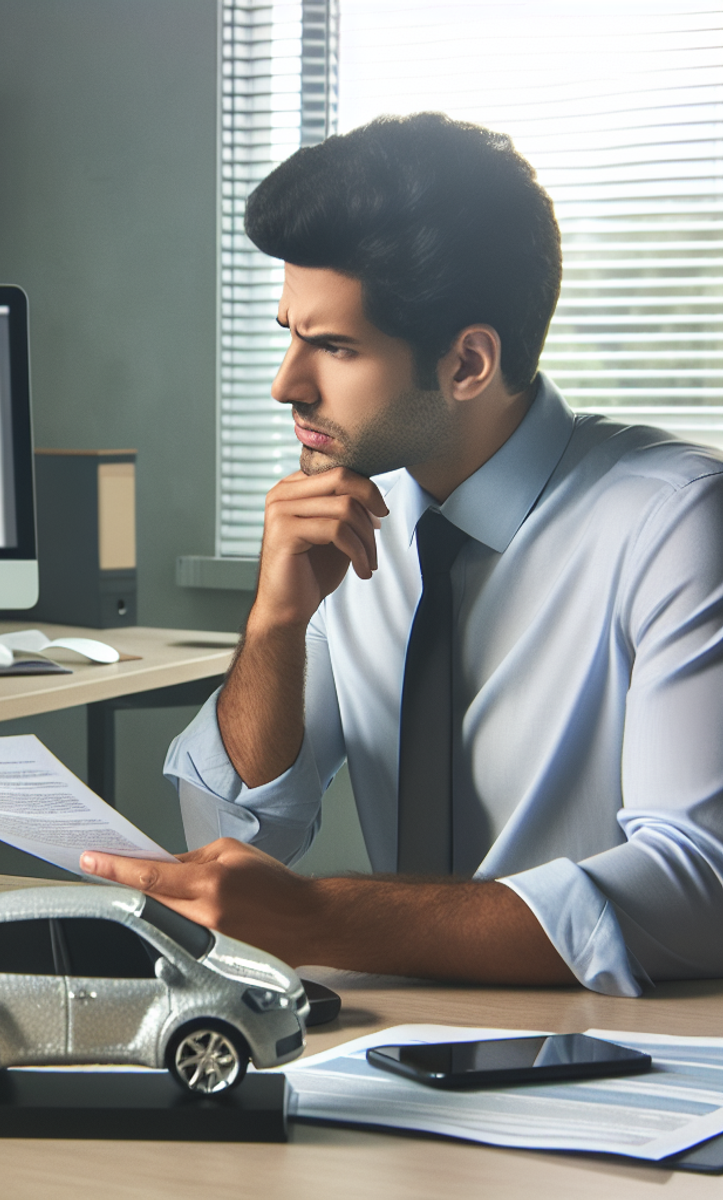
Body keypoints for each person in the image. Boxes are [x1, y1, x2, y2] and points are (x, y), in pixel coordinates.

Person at [81, 113, 723, 998]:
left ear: (468, 362)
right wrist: (275, 621)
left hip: (629, 1050)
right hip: (400, 1041)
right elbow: (238, 839)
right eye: (288, 331)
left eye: (334, 347)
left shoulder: (676, 524)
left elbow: (701, 884)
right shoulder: (350, 512)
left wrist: (321, 919)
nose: (286, 384)